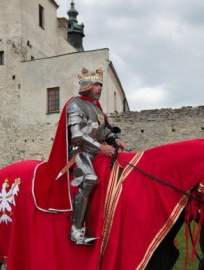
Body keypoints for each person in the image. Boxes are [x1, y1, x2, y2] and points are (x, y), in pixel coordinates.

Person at [66, 67, 126, 245]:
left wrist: (115, 140)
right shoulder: (75, 104)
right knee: (90, 179)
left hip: (98, 150)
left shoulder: (97, 108)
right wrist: (100, 147)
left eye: (101, 85)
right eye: (97, 85)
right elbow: (77, 135)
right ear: (87, 85)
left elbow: (104, 130)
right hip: (80, 151)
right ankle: (75, 231)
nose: (100, 88)